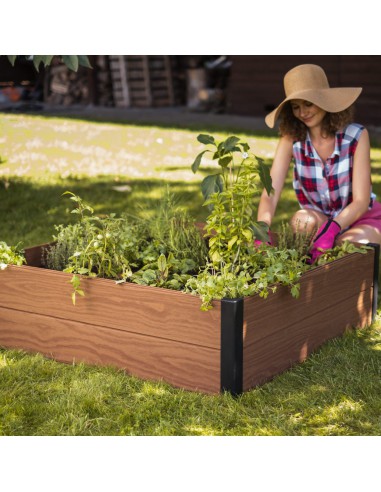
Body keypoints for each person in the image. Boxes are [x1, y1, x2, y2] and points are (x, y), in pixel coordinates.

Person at [257, 63, 381, 262]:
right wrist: (262, 230)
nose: (302, 112)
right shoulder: (291, 138)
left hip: (361, 219)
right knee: (300, 221)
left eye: (308, 104)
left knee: (346, 248)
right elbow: (270, 192)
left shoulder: (356, 135)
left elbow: (361, 201)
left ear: (323, 101)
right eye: (296, 107)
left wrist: (333, 229)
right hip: (321, 219)